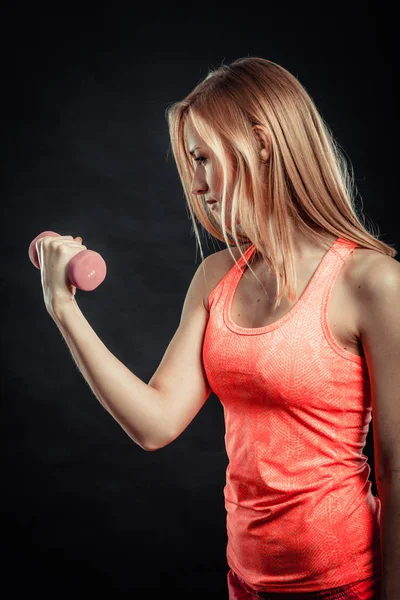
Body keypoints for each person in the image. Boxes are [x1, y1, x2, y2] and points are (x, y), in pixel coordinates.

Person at [36, 57, 400, 600]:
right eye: (190, 161)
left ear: (261, 142)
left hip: (344, 584)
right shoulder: (215, 278)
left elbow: (396, 470)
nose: (197, 181)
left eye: (204, 157)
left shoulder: (371, 282)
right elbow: (154, 423)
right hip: (246, 582)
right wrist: (64, 309)